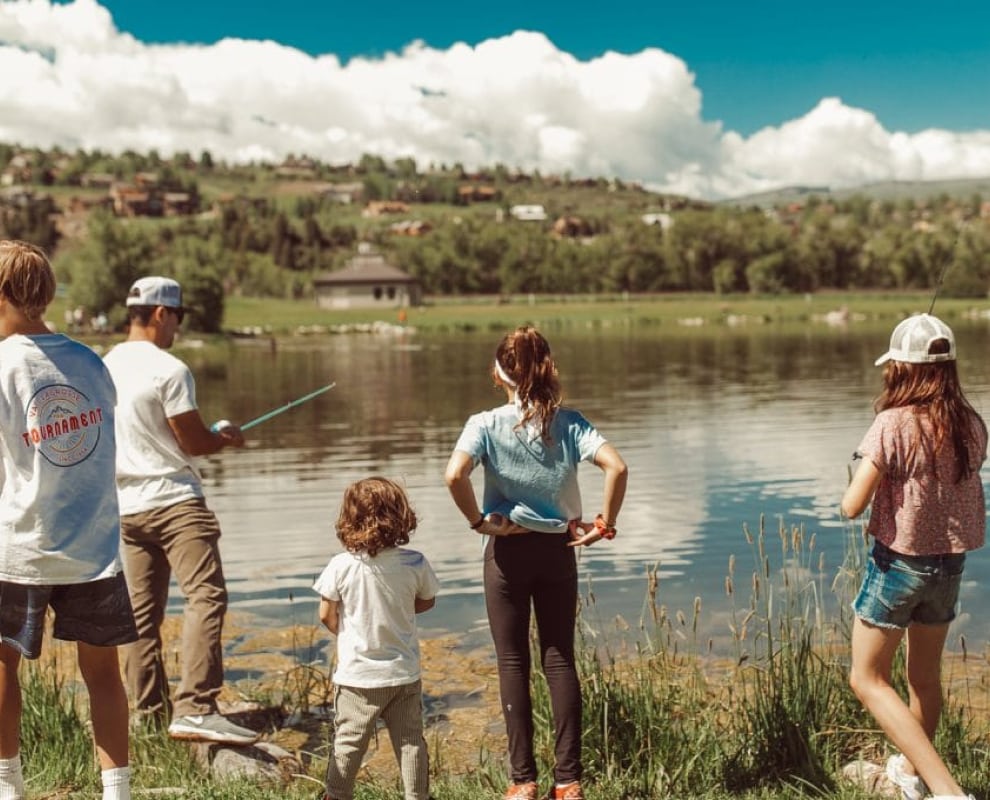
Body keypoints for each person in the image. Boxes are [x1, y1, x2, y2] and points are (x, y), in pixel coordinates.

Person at [444, 325, 628, 800]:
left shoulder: (483, 424)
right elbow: (617, 466)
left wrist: (479, 522)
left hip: (507, 552)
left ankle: (522, 782)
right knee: (560, 659)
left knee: (512, 661)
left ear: (497, 374)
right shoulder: (569, 422)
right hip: (557, 552)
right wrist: (603, 525)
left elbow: (454, 474)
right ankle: (568, 783)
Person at [0, 240, 137, 800]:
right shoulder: (89, 361)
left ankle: (8, 789)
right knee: (103, 674)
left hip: (21, 543)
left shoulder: (2, 363)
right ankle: (117, 792)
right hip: (93, 545)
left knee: (4, 668)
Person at [103, 276, 258, 745]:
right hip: (174, 501)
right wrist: (224, 438)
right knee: (206, 596)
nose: (177, 326)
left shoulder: (103, 365)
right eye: (178, 316)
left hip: (125, 508)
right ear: (159, 314)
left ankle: (148, 719)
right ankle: (195, 707)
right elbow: (192, 441)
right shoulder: (169, 369)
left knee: (138, 617)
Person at [841, 313, 986, 800]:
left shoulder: (892, 422)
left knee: (867, 679)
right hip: (949, 565)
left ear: (901, 368)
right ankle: (908, 775)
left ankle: (947, 791)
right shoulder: (971, 423)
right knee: (923, 678)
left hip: (898, 567)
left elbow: (851, 505)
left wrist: (859, 467)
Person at [313, 477, 439, 800]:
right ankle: (417, 796)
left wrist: (348, 631)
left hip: (357, 678)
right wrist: (397, 611)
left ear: (348, 519)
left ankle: (337, 794)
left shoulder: (341, 566)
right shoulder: (414, 562)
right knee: (411, 741)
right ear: (401, 516)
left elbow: (326, 614)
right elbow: (427, 601)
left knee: (349, 741)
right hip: (403, 674)